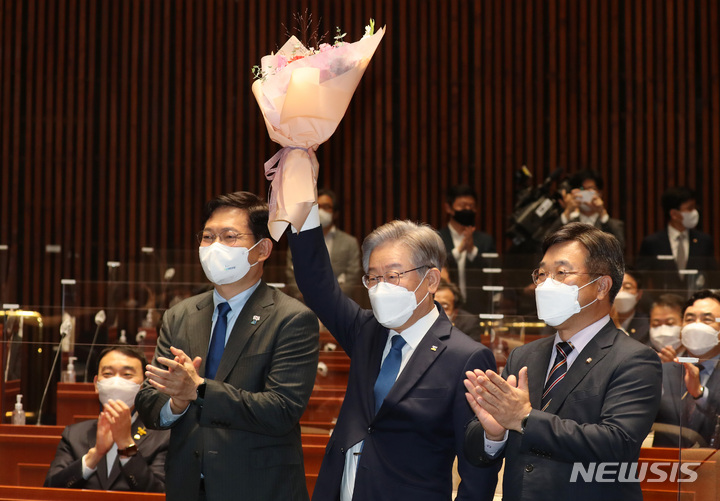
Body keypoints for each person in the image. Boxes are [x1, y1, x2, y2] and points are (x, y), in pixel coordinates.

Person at [288, 205, 498, 501]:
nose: (379, 288)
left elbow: (476, 469)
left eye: (393, 275)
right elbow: (316, 284)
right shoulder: (365, 331)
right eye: (373, 278)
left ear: (431, 280)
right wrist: (302, 204)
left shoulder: (465, 356)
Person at [135, 192, 319, 501]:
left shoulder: (292, 318)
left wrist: (200, 391)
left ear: (261, 249)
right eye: (207, 237)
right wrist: (176, 403)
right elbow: (149, 400)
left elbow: (281, 410)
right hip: (188, 487)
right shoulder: (179, 315)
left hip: (258, 488)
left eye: (229, 237)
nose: (214, 247)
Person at [464, 222, 662, 500]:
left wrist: (524, 419)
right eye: (542, 273)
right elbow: (478, 454)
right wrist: (494, 435)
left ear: (602, 286)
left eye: (561, 272)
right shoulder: (524, 355)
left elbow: (617, 445)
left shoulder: (635, 359)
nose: (546, 284)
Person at [45, 346, 169, 491]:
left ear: (143, 386)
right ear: (96, 384)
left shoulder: (161, 437)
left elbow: (159, 493)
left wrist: (126, 445)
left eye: (127, 374)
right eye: (108, 373)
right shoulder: (73, 435)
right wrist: (95, 455)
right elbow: (50, 490)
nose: (116, 381)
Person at [655, 290, 720, 447]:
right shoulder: (662, 371)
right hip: (663, 467)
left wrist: (701, 394)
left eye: (707, 319)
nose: (696, 325)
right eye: (689, 319)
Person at [286, 188, 362, 301]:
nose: (321, 211)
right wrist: (305, 295)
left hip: (340, 305)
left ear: (335, 213)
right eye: (317, 207)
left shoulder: (349, 242)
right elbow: (291, 273)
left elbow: (352, 277)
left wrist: (333, 298)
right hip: (305, 304)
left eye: (326, 207)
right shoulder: (299, 240)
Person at [636, 186, 717, 290]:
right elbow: (641, 280)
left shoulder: (704, 241)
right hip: (663, 303)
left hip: (697, 303)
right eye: (689, 208)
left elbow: (713, 278)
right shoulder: (652, 243)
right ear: (674, 214)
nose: (694, 212)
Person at [439, 184, 496, 313]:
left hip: (478, 308)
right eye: (463, 206)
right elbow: (436, 267)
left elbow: (492, 272)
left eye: (471, 206)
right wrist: (458, 251)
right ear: (449, 208)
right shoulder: (438, 238)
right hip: (446, 308)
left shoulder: (485, 240)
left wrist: (472, 251)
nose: (468, 210)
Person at [557, 170, 625, 249]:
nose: (586, 193)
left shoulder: (614, 224)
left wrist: (602, 213)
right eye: (582, 189)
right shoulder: (568, 223)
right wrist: (568, 211)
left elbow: (620, 246)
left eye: (591, 189)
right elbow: (548, 241)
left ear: (600, 193)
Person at [612, 269, 649, 343]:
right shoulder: (597, 320)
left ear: (639, 294)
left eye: (627, 287)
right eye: (616, 287)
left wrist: (617, 326)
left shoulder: (646, 324)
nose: (621, 291)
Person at [648, 293, 686, 362]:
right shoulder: (645, 356)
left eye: (670, 323)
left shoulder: (696, 356)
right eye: (656, 324)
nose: (663, 331)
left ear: (684, 323)